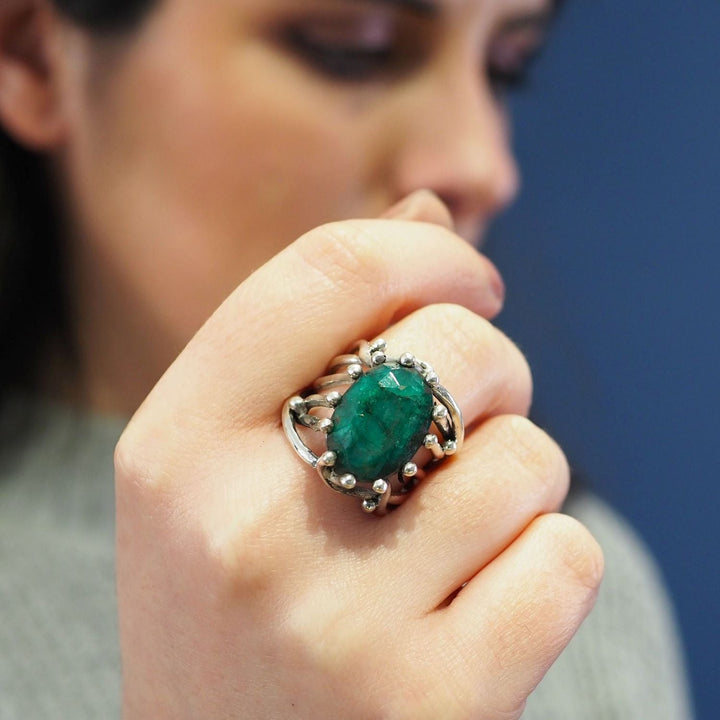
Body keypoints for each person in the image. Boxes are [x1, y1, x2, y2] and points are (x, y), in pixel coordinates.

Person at [0, 0, 693, 718]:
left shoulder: (571, 585)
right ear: (37, 57)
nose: (482, 165)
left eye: (504, 67)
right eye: (352, 47)